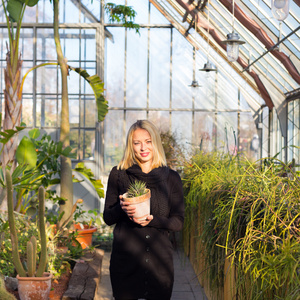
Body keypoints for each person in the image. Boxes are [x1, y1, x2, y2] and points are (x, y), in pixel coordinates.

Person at [103, 120, 185, 300]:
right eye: (137, 142)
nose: (143, 148)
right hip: (125, 262)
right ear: (130, 146)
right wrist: (122, 208)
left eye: (148, 141)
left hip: (159, 264)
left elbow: (178, 221)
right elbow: (108, 217)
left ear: (155, 142)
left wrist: (153, 220)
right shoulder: (118, 174)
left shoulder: (171, 178)